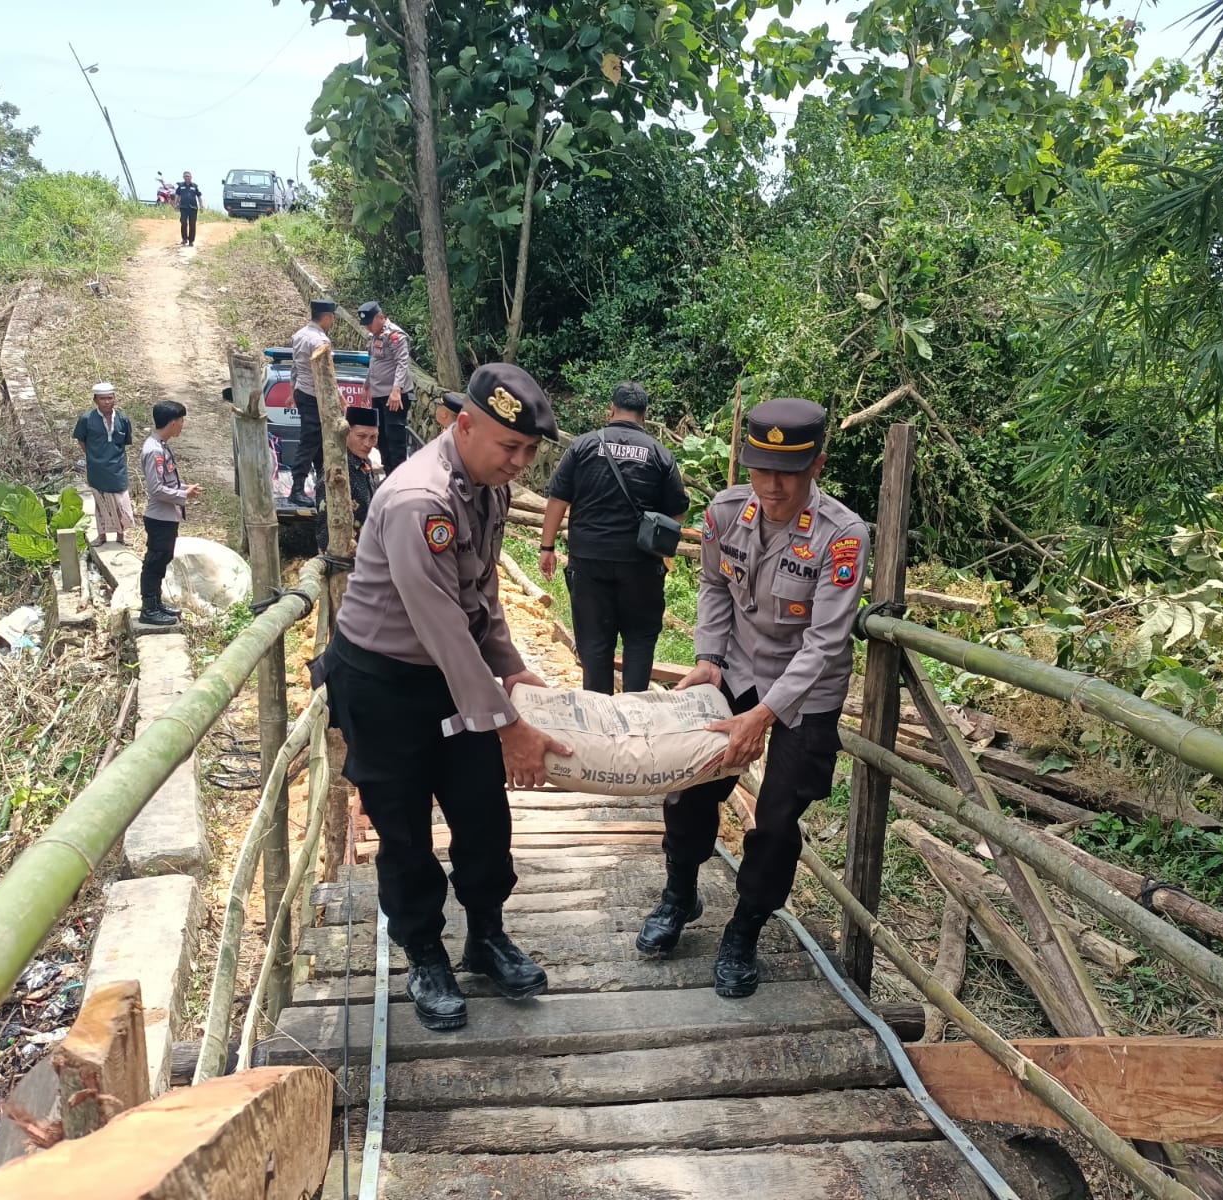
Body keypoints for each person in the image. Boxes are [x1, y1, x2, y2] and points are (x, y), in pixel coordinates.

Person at [313, 363, 572, 1032]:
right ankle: (425, 955)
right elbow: (440, 624)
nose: (517, 463)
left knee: (483, 813)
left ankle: (486, 937)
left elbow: (480, 602)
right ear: (464, 424)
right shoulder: (418, 500)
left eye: (528, 453)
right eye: (507, 447)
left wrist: (513, 671)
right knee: (402, 829)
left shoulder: (485, 490)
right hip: (383, 682)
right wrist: (509, 726)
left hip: (449, 676)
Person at [636, 398, 869, 999]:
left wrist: (763, 717)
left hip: (807, 691)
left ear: (816, 465)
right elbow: (714, 586)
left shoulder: (842, 537)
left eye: (787, 473)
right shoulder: (724, 512)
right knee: (689, 785)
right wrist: (709, 659)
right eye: (760, 470)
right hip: (736, 668)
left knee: (777, 819)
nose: (771, 486)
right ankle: (679, 893)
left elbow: (824, 641)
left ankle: (744, 929)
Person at [539, 382, 689, 694]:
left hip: (589, 561)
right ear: (645, 415)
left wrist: (547, 547)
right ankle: (634, 712)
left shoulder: (583, 446)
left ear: (611, 410)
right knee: (639, 640)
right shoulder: (660, 454)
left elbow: (557, 500)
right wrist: (659, 547)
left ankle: (598, 714)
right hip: (641, 565)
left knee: (594, 643)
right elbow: (677, 511)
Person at [139, 401, 201, 627]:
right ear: (173, 422)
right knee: (155, 561)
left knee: (163, 559)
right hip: (159, 517)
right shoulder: (154, 450)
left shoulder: (161, 446)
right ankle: (148, 608)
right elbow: (156, 489)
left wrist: (184, 488)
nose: (182, 426)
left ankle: (156, 603)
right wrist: (183, 495)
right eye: (182, 421)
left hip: (167, 516)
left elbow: (167, 481)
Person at [287, 299, 337, 507]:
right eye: (332, 318)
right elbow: (328, 375)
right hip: (315, 396)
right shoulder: (320, 342)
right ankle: (296, 489)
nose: (333, 322)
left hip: (302, 392)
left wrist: (293, 390)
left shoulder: (299, 335)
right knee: (309, 443)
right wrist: (339, 398)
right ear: (326, 317)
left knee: (317, 442)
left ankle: (321, 487)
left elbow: (295, 368)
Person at [73, 382, 135, 545]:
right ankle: (102, 536)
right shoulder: (86, 419)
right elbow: (81, 439)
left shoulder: (123, 419)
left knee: (121, 503)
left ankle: (122, 536)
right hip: (97, 469)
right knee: (101, 503)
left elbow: (125, 441)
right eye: (103, 399)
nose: (107, 402)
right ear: (95, 400)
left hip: (117, 468)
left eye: (110, 398)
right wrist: (92, 456)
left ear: (114, 398)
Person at [360, 300, 416, 475]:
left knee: (395, 439)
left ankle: (399, 478)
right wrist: (367, 384)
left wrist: (396, 390)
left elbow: (402, 363)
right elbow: (374, 363)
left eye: (370, 323)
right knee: (380, 437)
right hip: (378, 394)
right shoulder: (374, 337)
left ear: (380, 317)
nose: (368, 327)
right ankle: (389, 473)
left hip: (394, 396)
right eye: (366, 324)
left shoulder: (395, 336)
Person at [316, 405, 381, 552]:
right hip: (343, 558)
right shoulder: (336, 470)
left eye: (373, 437)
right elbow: (325, 531)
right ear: (346, 434)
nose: (368, 444)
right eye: (361, 436)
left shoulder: (364, 463)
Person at [176, 171, 203, 246]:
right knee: (183, 222)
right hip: (183, 207)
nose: (187, 177)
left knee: (192, 224)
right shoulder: (181, 186)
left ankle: (191, 241)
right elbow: (177, 195)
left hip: (193, 208)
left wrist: (201, 206)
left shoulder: (194, 186)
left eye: (188, 176)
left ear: (191, 177)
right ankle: (184, 239)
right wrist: (176, 204)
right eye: (185, 176)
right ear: (183, 177)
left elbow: (199, 196)